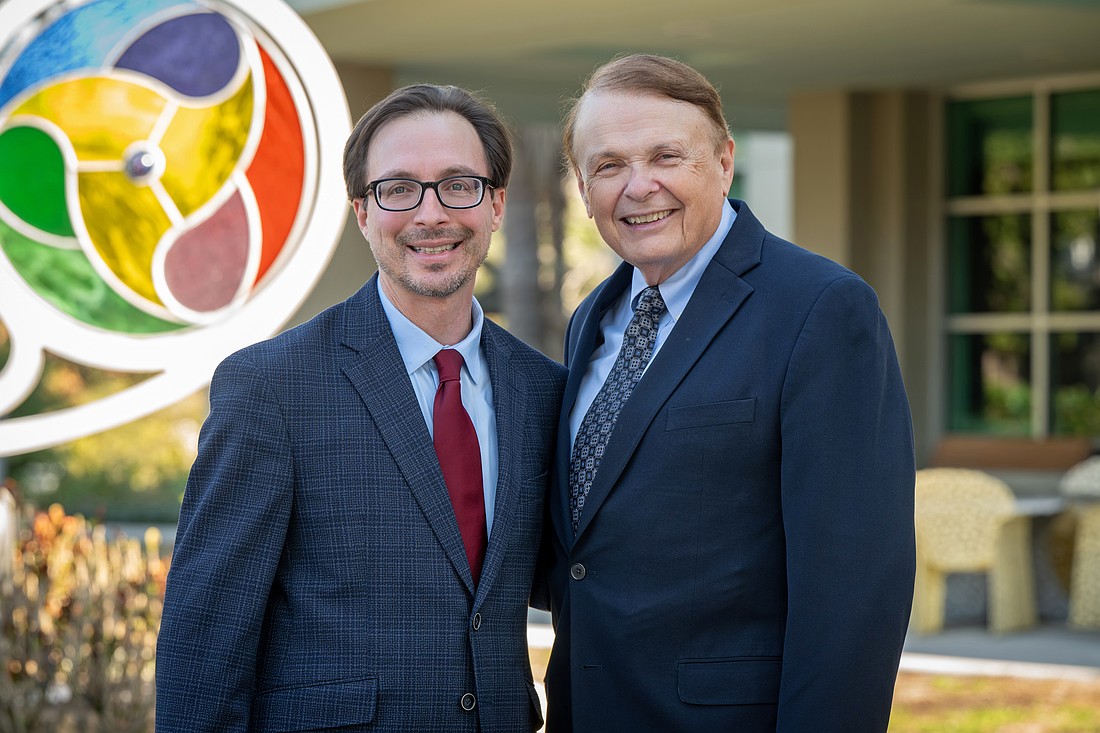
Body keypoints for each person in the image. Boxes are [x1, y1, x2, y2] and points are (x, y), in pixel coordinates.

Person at [156, 84, 566, 732]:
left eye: (458, 184)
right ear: (362, 211)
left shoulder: (543, 391)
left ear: (496, 204)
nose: (431, 213)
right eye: (398, 188)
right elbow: (203, 648)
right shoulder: (271, 389)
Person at [540, 54, 915, 732]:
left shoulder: (821, 310)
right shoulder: (592, 318)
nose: (639, 185)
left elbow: (853, 593)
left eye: (666, 156)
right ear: (582, 185)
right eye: (608, 164)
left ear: (723, 161)